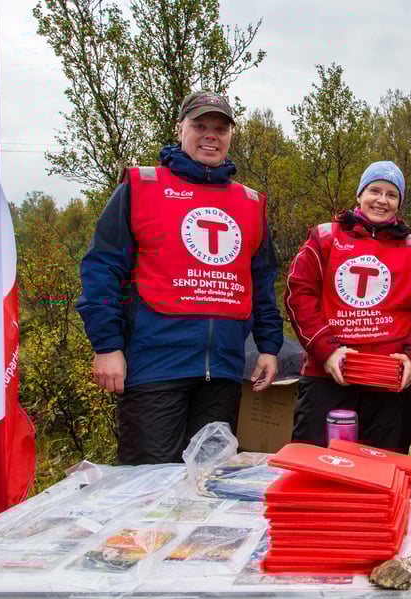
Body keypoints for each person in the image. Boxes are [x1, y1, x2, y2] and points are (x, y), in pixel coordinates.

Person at [77, 91, 283, 465]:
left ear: (231, 136)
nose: (210, 135)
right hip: (154, 368)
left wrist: (269, 346)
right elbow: (102, 269)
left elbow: (262, 281)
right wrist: (106, 346)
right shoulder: (142, 187)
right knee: (148, 490)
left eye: (220, 128)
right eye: (200, 125)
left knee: (209, 486)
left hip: (222, 371)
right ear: (180, 129)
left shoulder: (250, 203)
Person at [285, 161, 411, 454]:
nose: (382, 200)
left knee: (380, 471)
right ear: (360, 194)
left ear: (399, 202)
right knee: (316, 464)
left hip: (391, 381)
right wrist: (326, 349)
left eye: (391, 194)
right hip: (328, 373)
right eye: (374, 190)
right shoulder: (325, 238)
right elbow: (300, 293)